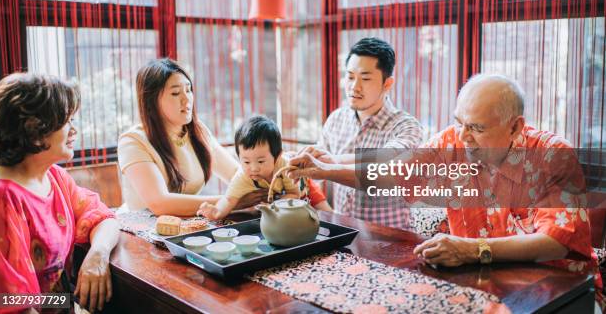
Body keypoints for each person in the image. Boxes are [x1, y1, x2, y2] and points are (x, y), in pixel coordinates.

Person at [291, 73, 603, 309]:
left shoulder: (551, 156)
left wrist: (472, 249)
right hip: (484, 286)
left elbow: (554, 243)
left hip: (559, 292)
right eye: (459, 123)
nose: (464, 136)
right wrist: (326, 170)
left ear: (514, 127)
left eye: (477, 128)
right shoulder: (453, 141)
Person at [0, 73, 120, 313]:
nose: (74, 130)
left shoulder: (54, 176)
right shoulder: (2, 198)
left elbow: (103, 216)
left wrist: (98, 253)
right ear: (35, 129)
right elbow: (10, 303)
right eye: (67, 120)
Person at [290, 37, 424, 229]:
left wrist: (328, 164)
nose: (354, 87)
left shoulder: (407, 127)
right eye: (350, 77)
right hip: (345, 235)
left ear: (387, 84)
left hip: (391, 239)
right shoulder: (337, 119)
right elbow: (318, 172)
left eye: (366, 78)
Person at [118, 59, 263, 216]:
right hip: (140, 231)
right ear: (151, 101)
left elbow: (236, 173)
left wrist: (265, 184)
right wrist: (231, 201)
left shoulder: (197, 131)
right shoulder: (133, 141)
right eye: (175, 93)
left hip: (187, 226)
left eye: (188, 90)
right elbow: (160, 203)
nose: (186, 100)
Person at [199, 116, 331, 220]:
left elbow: (294, 194)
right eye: (246, 161)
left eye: (261, 161)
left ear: (277, 156)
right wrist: (216, 212)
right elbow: (229, 199)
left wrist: (274, 206)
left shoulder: (285, 166)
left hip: (303, 188)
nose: (254, 168)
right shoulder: (243, 176)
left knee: (328, 217)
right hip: (279, 202)